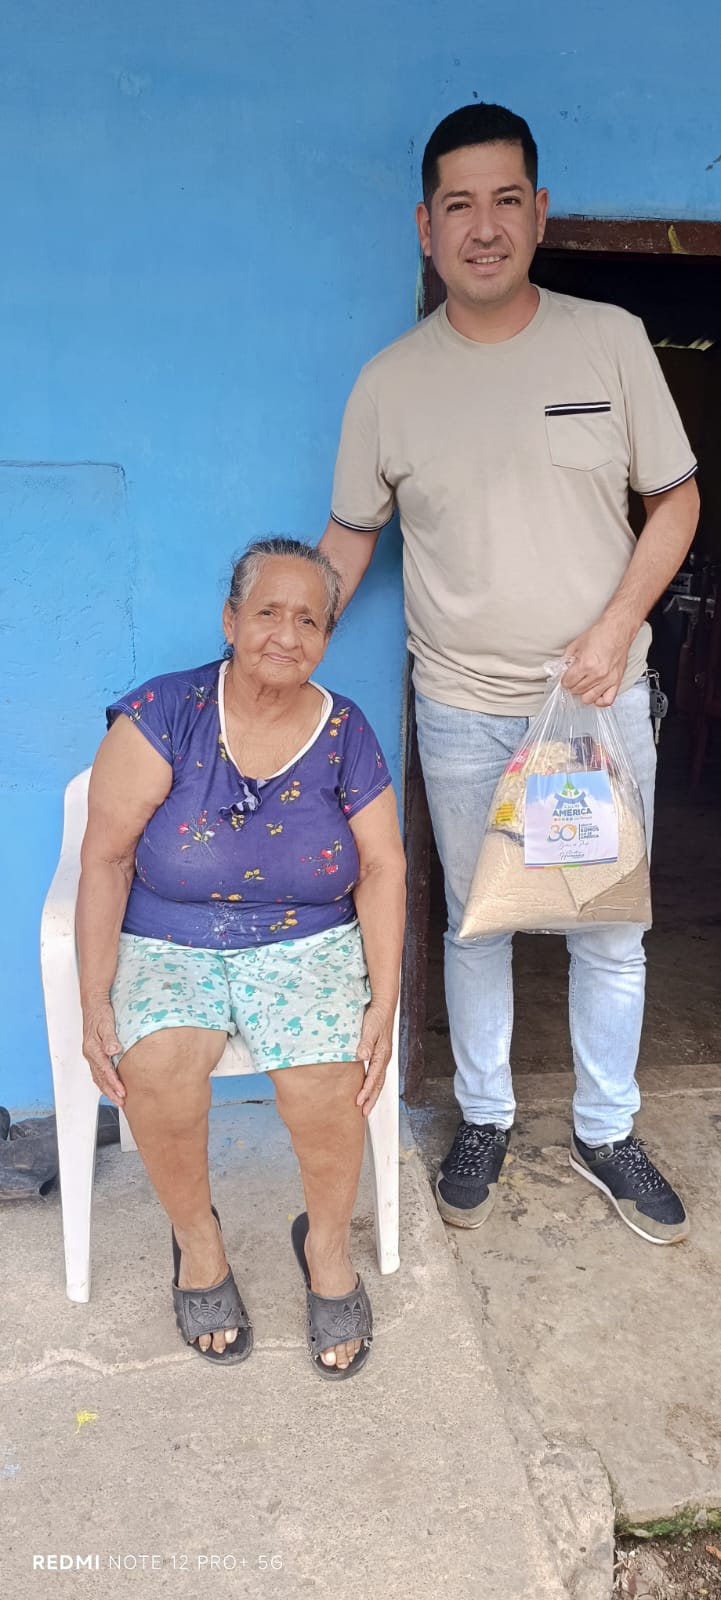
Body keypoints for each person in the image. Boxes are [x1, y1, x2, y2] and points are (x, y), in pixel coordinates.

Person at [320, 102, 699, 1246]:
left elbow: (675, 499)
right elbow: (348, 540)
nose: (481, 227)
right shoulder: (388, 383)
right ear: (425, 226)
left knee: (606, 927)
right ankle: (482, 1116)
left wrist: (616, 625)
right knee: (475, 927)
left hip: (594, 705)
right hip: (462, 711)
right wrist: (272, 654)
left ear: (537, 212)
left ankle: (604, 1129)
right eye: (457, 205)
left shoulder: (610, 340)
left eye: (503, 201)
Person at [77, 538, 406, 1376]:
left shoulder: (344, 729)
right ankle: (198, 1245)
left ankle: (325, 1249)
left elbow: (382, 866)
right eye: (267, 613)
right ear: (230, 620)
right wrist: (94, 998)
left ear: (325, 638)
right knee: (157, 1067)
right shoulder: (165, 712)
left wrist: (385, 998)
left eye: (309, 621)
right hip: (170, 937)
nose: (285, 635)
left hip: (304, 942)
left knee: (328, 1081)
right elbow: (106, 859)